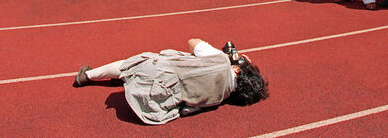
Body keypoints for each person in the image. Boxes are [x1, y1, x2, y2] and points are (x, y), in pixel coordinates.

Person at [74, 38, 269, 125]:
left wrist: (225, 56)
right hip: (157, 103)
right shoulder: (219, 98)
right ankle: (129, 79)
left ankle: (88, 75)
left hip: (157, 74)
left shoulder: (222, 61)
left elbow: (193, 41)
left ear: (237, 69)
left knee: (135, 62)